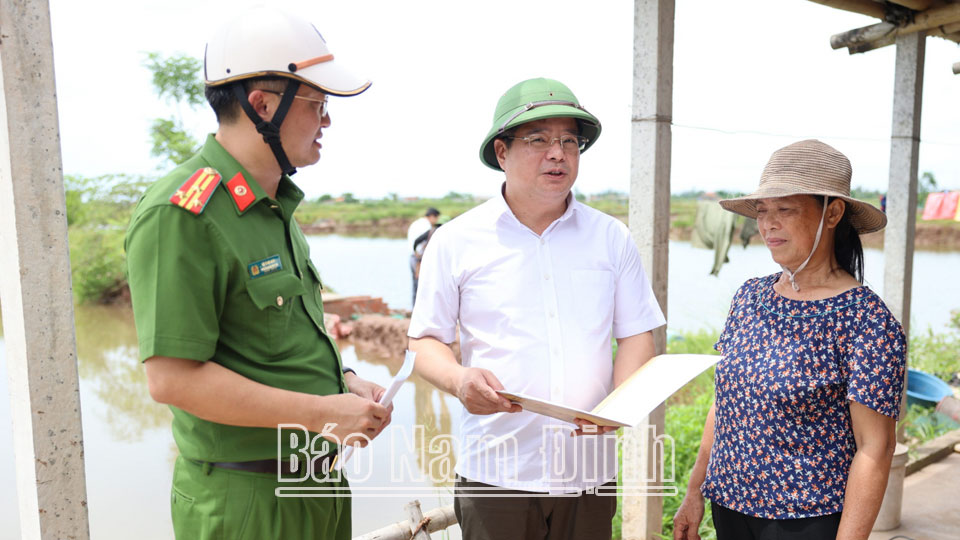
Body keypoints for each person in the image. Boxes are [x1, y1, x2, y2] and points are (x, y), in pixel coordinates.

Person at [124, 7, 391, 539]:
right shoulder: (182, 213)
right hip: (247, 500)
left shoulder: (274, 208)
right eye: (317, 104)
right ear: (263, 105)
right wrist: (320, 413)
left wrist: (344, 383)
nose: (327, 121)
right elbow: (172, 378)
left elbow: (274, 341)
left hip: (316, 483)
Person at [407, 78, 665, 540]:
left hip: (589, 471)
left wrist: (617, 407)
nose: (558, 153)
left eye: (570, 140)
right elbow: (425, 341)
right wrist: (459, 379)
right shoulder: (455, 241)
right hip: (496, 471)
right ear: (501, 153)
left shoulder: (610, 237)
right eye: (539, 140)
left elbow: (637, 334)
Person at [672, 140, 906, 540]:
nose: (768, 225)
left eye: (785, 210)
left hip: (805, 522)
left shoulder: (865, 319)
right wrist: (695, 492)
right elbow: (724, 404)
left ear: (832, 213)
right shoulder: (750, 296)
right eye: (763, 211)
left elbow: (875, 448)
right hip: (728, 506)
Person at [407, 207, 440, 306]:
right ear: (432, 216)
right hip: (419, 259)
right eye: (436, 218)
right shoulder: (427, 226)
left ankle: (414, 310)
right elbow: (422, 242)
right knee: (423, 285)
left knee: (415, 285)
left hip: (412, 257)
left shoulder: (416, 223)